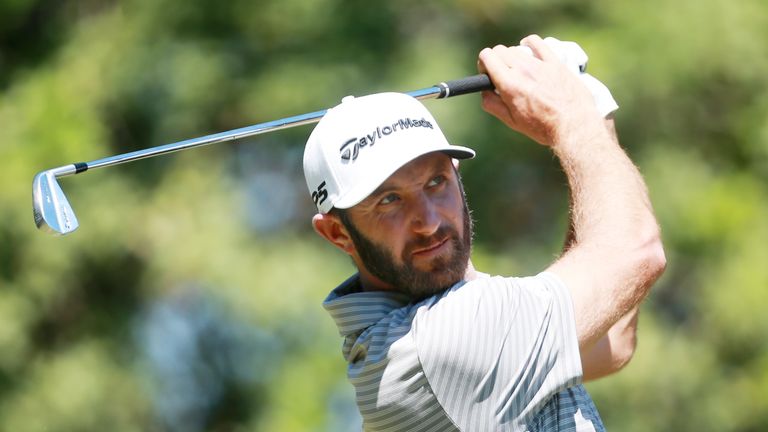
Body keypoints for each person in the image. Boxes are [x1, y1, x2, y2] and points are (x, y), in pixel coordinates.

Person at [302, 34, 666, 431]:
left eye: (435, 182)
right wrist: (572, 118)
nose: (427, 220)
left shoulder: (435, 334)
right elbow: (637, 252)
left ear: (457, 175)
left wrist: (592, 112)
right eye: (389, 201)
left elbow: (610, 340)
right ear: (338, 233)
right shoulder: (438, 346)